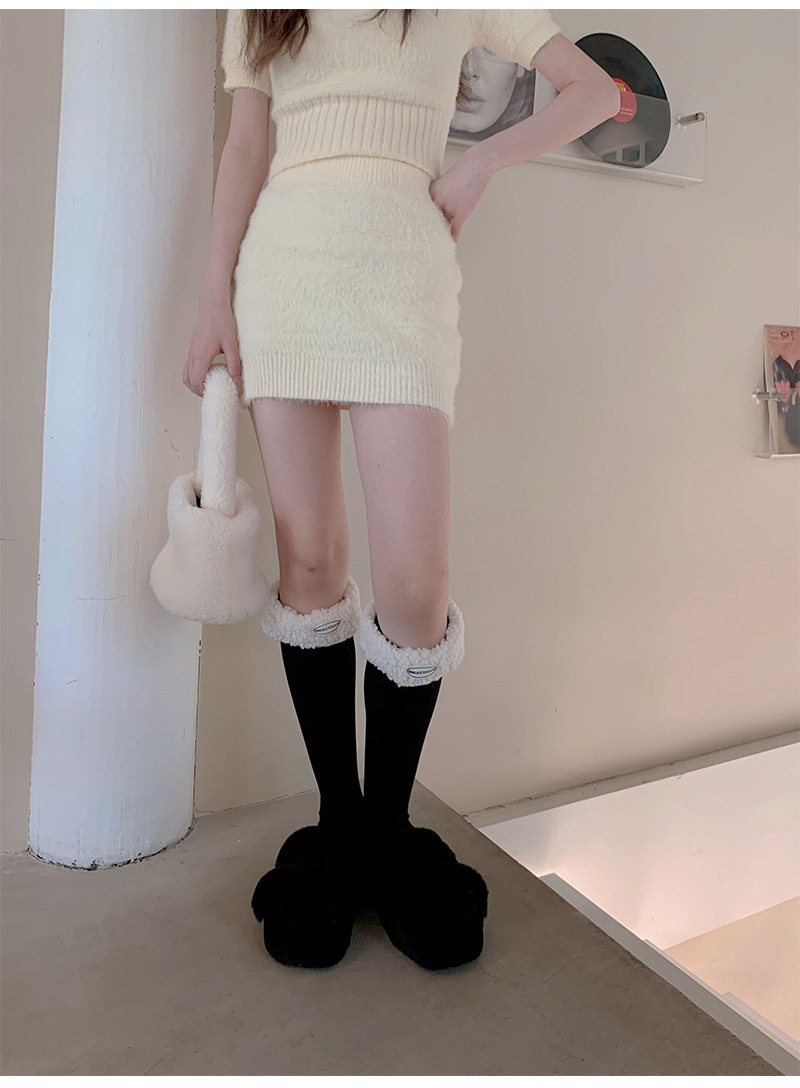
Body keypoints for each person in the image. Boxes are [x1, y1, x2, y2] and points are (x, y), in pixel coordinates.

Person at [183, 8, 620, 971]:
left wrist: (483, 161)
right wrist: (214, 297)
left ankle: (388, 825)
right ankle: (341, 819)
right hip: (285, 269)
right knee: (309, 562)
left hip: (402, 276)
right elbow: (246, 144)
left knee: (415, 590)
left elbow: (598, 90)